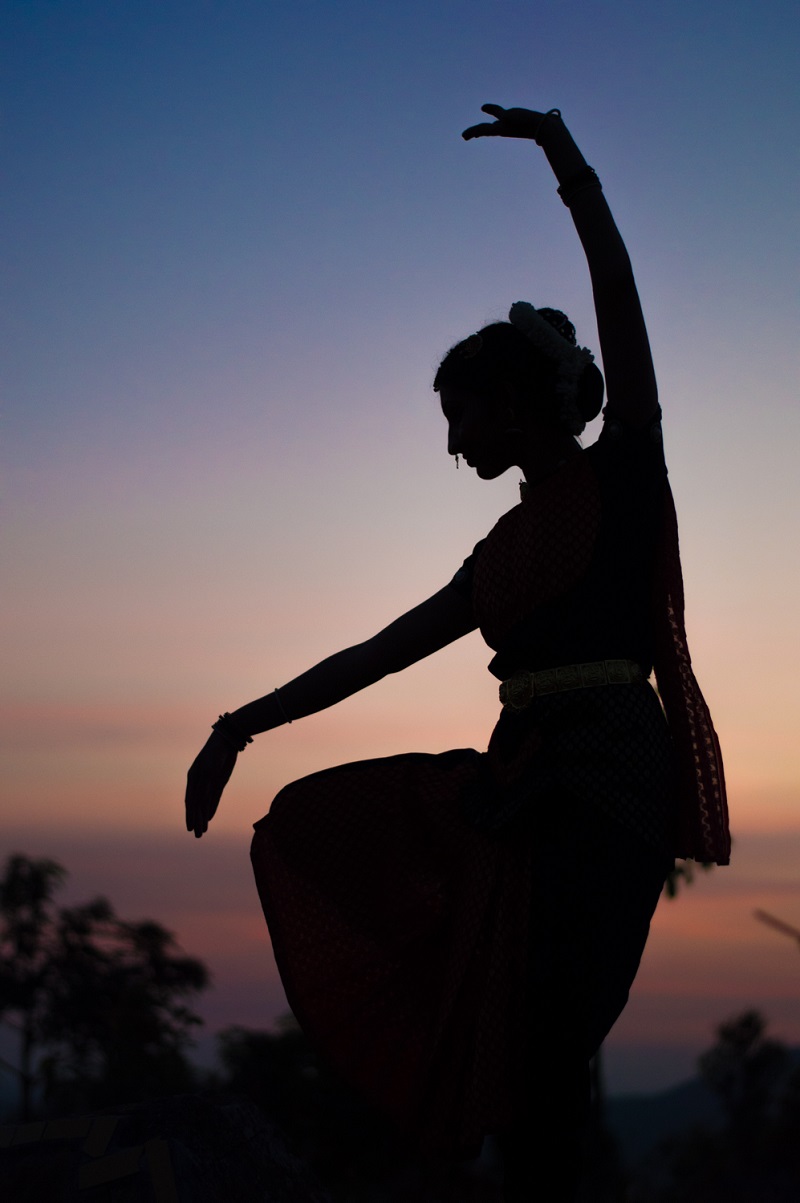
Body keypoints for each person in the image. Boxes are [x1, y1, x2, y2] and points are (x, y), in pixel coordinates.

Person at [185, 105, 729, 1201]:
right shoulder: (502, 547)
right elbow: (383, 651)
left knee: (549, 1040)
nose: (450, 443)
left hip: (609, 777)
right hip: (520, 776)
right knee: (516, 1042)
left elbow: (617, 296)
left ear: (520, 401)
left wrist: (565, 160)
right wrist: (238, 723)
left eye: (460, 415)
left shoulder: (622, 474)